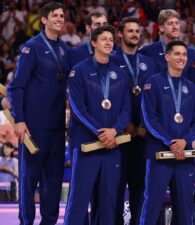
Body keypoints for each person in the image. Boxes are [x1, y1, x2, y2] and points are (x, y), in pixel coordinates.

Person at [7, 2, 69, 224]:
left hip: (57, 128)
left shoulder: (64, 49)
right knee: (29, 180)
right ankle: (26, 222)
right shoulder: (30, 48)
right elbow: (17, 86)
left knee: (53, 182)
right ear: (44, 20)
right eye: (54, 15)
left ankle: (49, 222)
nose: (59, 19)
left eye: (62, 15)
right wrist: (20, 120)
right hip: (34, 127)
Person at [64, 25, 131, 225]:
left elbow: (126, 109)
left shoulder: (120, 73)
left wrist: (114, 131)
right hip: (87, 145)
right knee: (79, 201)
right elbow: (77, 109)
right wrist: (100, 132)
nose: (109, 43)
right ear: (93, 43)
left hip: (112, 147)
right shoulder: (79, 71)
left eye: (111, 39)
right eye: (104, 39)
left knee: (108, 202)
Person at [140, 40, 195, 225]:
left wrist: (185, 140)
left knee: (185, 210)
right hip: (159, 155)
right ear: (167, 56)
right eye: (177, 54)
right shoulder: (153, 82)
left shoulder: (191, 87)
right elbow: (149, 119)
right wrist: (171, 142)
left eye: (184, 54)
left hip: (184, 157)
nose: (181, 58)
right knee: (151, 206)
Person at [111, 17, 157, 225]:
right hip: (118, 137)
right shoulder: (110, 60)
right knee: (116, 186)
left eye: (137, 31)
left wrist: (146, 126)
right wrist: (122, 124)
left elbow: (155, 99)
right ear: (119, 34)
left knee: (140, 187)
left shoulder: (149, 63)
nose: (134, 35)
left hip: (143, 136)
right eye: (129, 31)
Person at [138, 9, 195, 75]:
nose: (175, 27)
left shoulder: (191, 53)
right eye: (170, 23)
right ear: (161, 28)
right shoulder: (148, 51)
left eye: (177, 23)